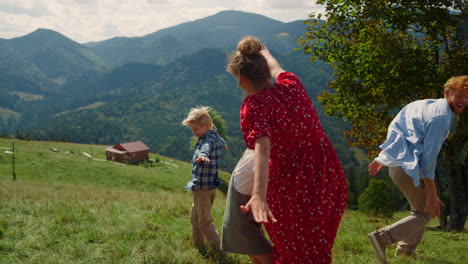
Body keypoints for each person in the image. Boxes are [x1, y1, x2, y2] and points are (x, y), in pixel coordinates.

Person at [225, 36, 348, 264]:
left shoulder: (255, 105)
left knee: (295, 253)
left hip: (292, 185)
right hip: (328, 176)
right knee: (316, 248)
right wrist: (265, 52)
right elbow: (276, 68)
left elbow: (262, 147)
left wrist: (259, 195)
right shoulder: (292, 83)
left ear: (242, 80)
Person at [367, 75, 468, 264]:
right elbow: (428, 160)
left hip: (401, 165)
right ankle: (383, 237)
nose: (464, 101)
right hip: (409, 168)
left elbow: (397, 126)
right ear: (448, 93)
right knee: (427, 212)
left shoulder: (425, 105)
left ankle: (405, 253)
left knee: (421, 209)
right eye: (460, 95)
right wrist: (432, 192)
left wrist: (385, 156)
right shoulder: (441, 117)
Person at [181, 106, 227, 253]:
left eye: (196, 129)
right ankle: (199, 246)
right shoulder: (214, 136)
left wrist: (203, 154)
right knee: (195, 217)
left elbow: (206, 147)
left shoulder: (207, 139)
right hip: (209, 186)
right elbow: (220, 141)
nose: (194, 133)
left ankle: (220, 250)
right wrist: (224, 145)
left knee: (204, 222)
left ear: (206, 126)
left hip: (203, 187)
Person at [221, 149, 273, 264]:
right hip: (243, 224)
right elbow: (268, 173)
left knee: (256, 257)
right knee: (269, 257)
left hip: (238, 220)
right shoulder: (256, 157)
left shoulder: (248, 153)